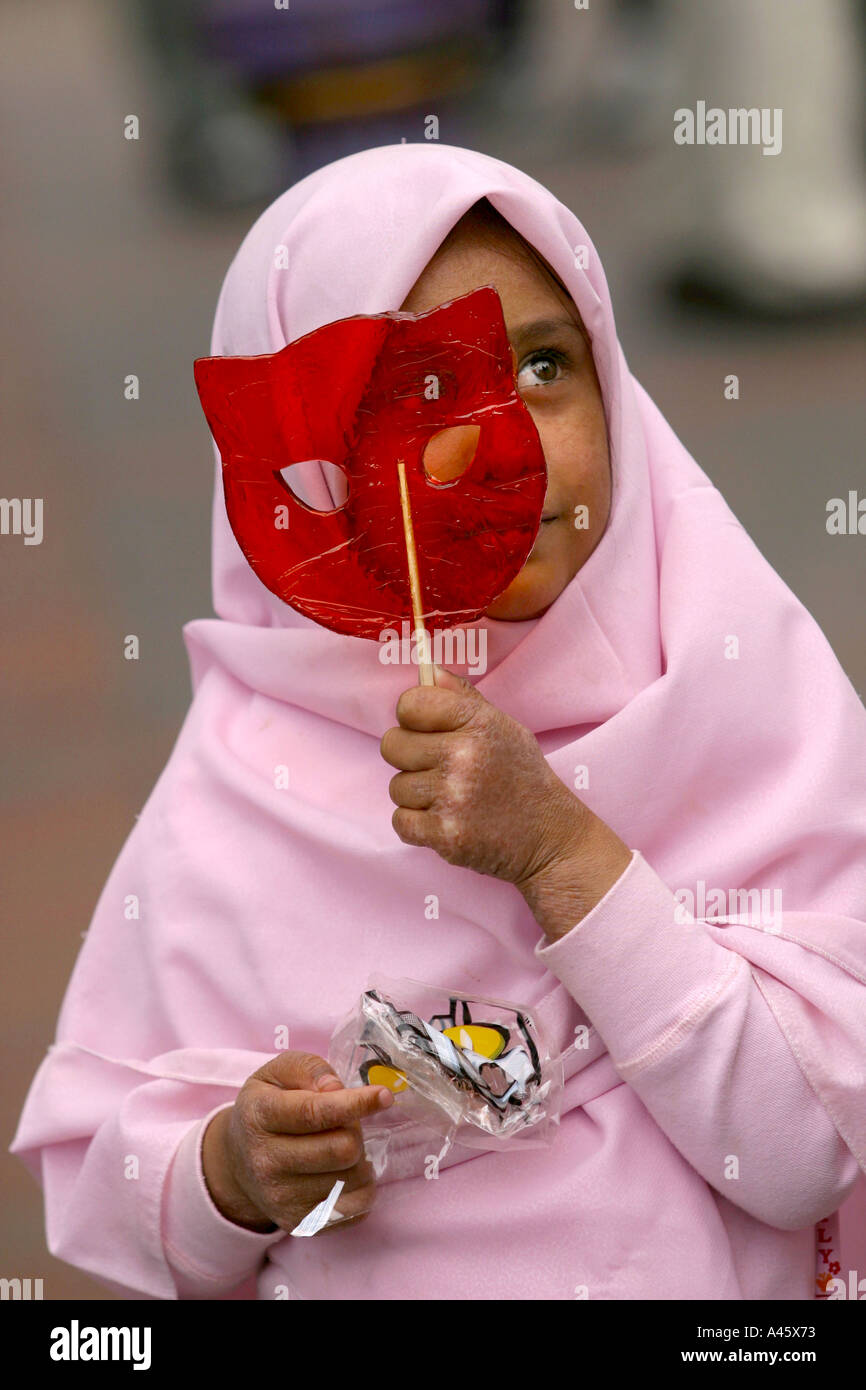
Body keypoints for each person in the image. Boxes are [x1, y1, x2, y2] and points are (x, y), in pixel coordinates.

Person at [10, 144, 866, 1301]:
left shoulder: (738, 697)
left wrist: (562, 853)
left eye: (546, 364)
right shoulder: (243, 777)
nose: (491, 441)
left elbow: (802, 1149)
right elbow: (102, 1170)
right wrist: (231, 1169)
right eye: (404, 391)